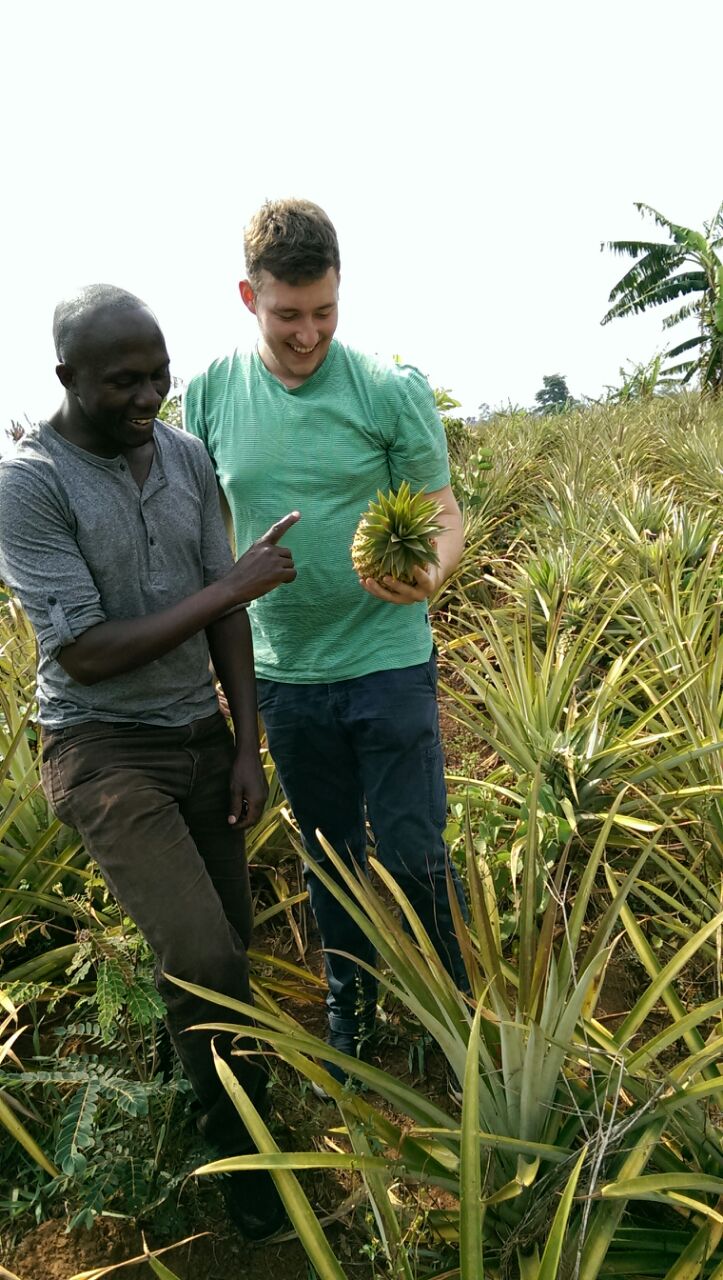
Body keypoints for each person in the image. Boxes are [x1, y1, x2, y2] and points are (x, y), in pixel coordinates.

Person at [0, 284, 299, 1239]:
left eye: (158, 376)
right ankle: (244, 1161)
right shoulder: (29, 482)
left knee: (227, 943)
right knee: (203, 953)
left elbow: (227, 610)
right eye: (122, 382)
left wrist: (244, 743)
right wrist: (232, 587)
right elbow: (82, 649)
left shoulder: (184, 454)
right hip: (103, 746)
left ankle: (203, 1087)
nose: (147, 398)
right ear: (67, 379)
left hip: (199, 739)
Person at [184, 200, 468, 1093]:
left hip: (387, 658)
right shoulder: (209, 395)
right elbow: (203, 533)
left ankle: (448, 1002)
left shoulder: (387, 388)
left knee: (416, 845)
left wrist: (427, 576)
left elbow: (442, 513)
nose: (307, 335)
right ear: (247, 297)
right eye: (287, 315)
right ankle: (353, 1003)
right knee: (328, 853)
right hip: (284, 672)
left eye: (324, 312)